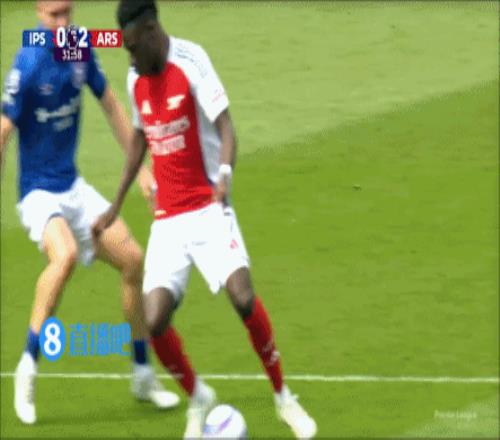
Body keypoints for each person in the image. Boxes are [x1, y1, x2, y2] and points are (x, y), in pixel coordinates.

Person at [93, 1, 318, 438]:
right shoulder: (136, 76)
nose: (130, 58)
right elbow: (139, 139)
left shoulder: (191, 60)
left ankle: (283, 397)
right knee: (154, 319)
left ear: (152, 31)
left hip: (208, 205)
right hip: (169, 219)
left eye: (134, 47)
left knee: (242, 297)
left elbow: (227, 125)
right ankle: (198, 396)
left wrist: (226, 174)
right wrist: (115, 205)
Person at [0, 0, 179, 425]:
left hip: (73, 189)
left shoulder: (79, 46)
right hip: (38, 194)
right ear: (38, 12)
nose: (62, 23)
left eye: (67, 13)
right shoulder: (28, 61)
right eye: (53, 16)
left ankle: (142, 374)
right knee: (62, 257)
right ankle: (27, 368)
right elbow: (3, 130)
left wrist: (142, 172)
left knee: (133, 260)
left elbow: (112, 105)